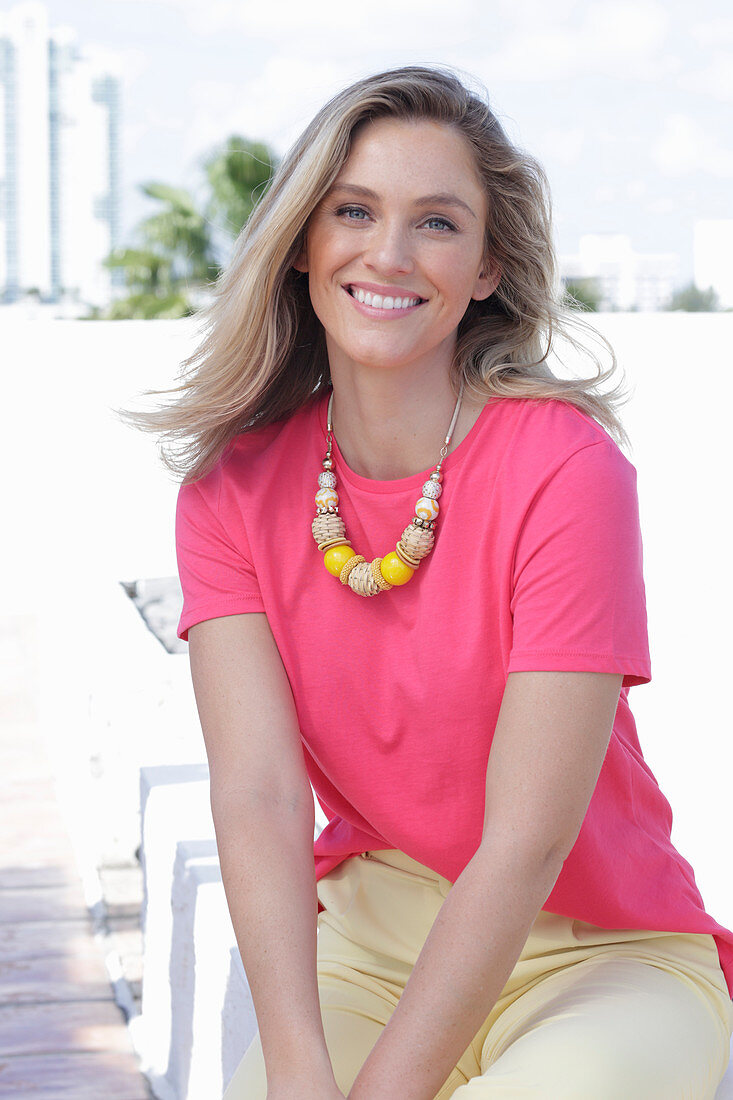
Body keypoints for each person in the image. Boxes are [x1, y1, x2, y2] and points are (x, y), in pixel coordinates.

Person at [128, 67, 733, 1099]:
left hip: (598, 951)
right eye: (353, 210)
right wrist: (298, 1073)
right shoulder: (230, 492)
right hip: (368, 943)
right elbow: (263, 794)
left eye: (438, 223)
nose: (389, 253)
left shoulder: (563, 467)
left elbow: (528, 837)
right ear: (303, 242)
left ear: (490, 263)